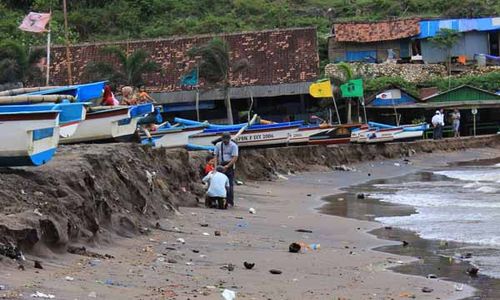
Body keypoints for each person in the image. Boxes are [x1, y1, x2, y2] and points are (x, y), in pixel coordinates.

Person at [214, 132, 238, 207]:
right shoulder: (218, 145)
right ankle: (219, 200)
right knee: (219, 183)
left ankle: (230, 201)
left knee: (229, 184)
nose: (225, 142)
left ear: (230, 139)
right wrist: (215, 167)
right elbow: (215, 156)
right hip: (221, 165)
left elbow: (235, 158)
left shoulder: (234, 146)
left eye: (227, 140)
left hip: (229, 166)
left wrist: (227, 166)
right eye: (224, 140)